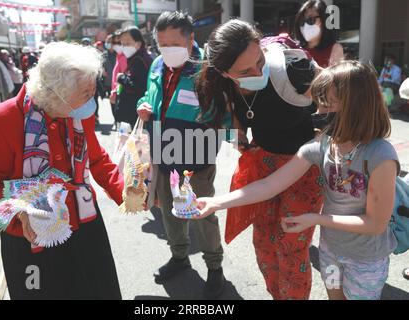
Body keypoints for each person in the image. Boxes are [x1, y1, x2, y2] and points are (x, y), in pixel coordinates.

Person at [197, 61, 399, 300]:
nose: (318, 113)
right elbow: (270, 185)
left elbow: (375, 224)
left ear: (357, 107)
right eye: (319, 103)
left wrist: (316, 218)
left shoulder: (380, 156)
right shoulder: (322, 146)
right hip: (331, 252)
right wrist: (216, 202)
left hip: (366, 259)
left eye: (328, 105)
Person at [0, 42, 124, 299]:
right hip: (30, 235)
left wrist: (126, 193)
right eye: (86, 92)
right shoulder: (0, 120)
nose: (92, 98)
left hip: (85, 225)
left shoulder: (77, 111)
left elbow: (97, 159)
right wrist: (19, 215)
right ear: (57, 94)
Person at [195, 19, 323, 300]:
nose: (257, 71)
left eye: (260, 60)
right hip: (263, 165)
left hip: (305, 166)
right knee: (264, 244)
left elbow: (340, 101)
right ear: (224, 72)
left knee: (292, 248)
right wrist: (238, 135)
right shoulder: (221, 84)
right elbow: (231, 119)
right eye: (245, 71)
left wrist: (322, 137)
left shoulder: (293, 69)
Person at [137, 11, 229, 298]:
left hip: (195, 156)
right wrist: (143, 106)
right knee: (170, 214)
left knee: (201, 217)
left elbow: (224, 118)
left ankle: (215, 267)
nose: (167, 50)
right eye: (161, 44)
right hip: (163, 154)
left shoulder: (209, 69)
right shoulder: (156, 64)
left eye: (174, 44)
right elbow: (148, 95)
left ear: (191, 40)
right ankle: (179, 257)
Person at [114, 26, 152, 129]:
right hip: (133, 114)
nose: (124, 46)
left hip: (135, 114)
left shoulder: (139, 61)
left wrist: (121, 78)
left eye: (128, 43)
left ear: (138, 43)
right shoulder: (136, 58)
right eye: (123, 44)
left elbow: (137, 86)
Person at [294, 0, 344, 68]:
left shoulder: (334, 49)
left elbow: (335, 77)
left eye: (310, 20)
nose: (305, 25)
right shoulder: (295, 48)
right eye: (302, 21)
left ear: (324, 20)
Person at [110, 30, 128, 126]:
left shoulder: (125, 57)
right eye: (114, 42)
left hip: (122, 94)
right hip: (118, 93)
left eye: (119, 42)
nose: (117, 45)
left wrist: (115, 92)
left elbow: (124, 78)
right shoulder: (119, 56)